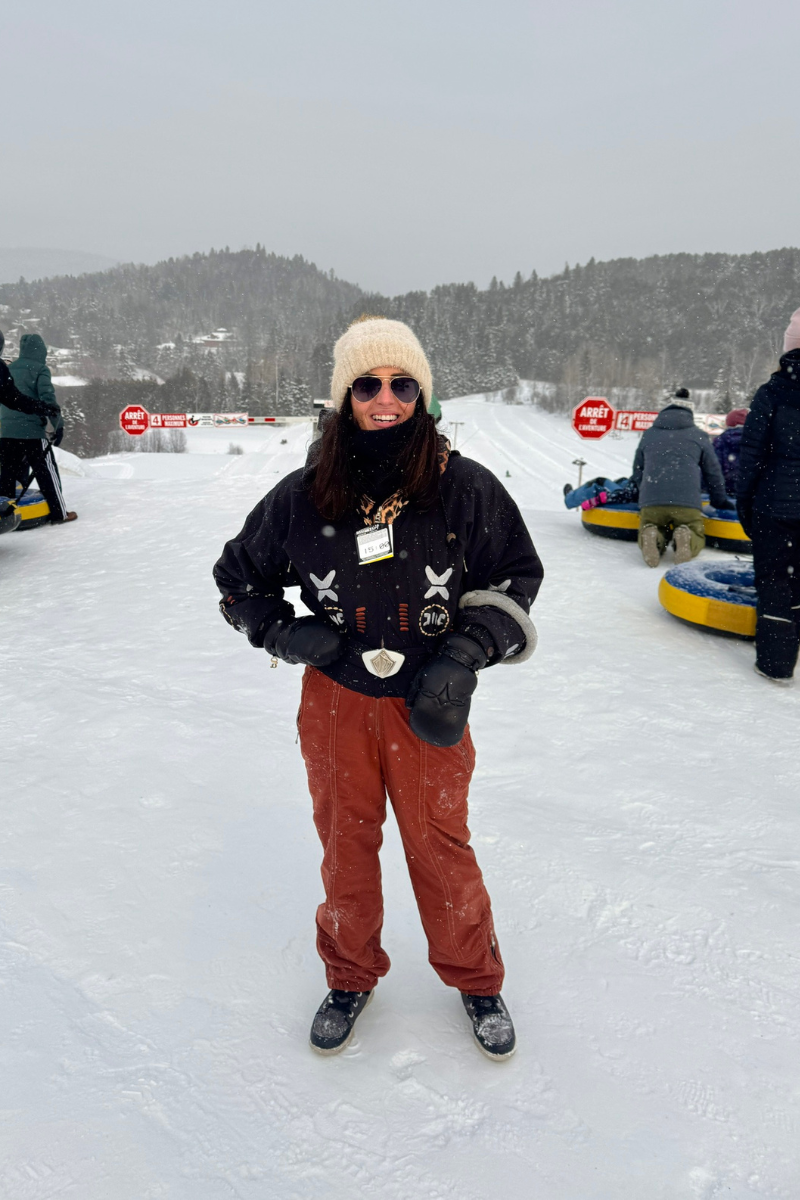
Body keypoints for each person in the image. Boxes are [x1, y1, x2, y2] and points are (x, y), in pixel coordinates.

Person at [214, 317, 543, 1060]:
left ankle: (476, 977)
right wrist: (281, 632)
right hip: (336, 702)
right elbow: (237, 580)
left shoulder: (464, 487)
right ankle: (349, 973)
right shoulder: (304, 496)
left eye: (402, 384)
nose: (385, 399)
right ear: (345, 397)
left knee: (440, 845)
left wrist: (466, 652)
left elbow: (515, 576)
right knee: (346, 843)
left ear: (422, 394)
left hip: (431, 698)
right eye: (367, 385)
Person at [736, 307, 800, 684]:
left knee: (774, 579)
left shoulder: (772, 393)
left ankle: (776, 662)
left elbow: (751, 456)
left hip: (774, 504)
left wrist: (745, 505)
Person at [631, 387, 732, 567]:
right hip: (687, 501)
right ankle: (687, 537)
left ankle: (652, 535)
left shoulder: (649, 434)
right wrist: (719, 500)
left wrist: (644, 492)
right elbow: (713, 472)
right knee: (694, 529)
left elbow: (638, 469)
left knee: (651, 525)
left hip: (652, 499)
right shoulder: (698, 435)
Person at [0, 333, 76, 523]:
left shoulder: (9, 367)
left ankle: (6, 518)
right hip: (32, 432)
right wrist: (58, 427)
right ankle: (60, 514)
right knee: (46, 472)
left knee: (8, 475)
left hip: (6, 432)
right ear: (41, 352)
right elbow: (48, 400)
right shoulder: (40, 369)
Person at [712, 408, 748, 495]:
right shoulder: (757, 441)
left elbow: (712, 466)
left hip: (724, 490)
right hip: (749, 492)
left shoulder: (719, 441)